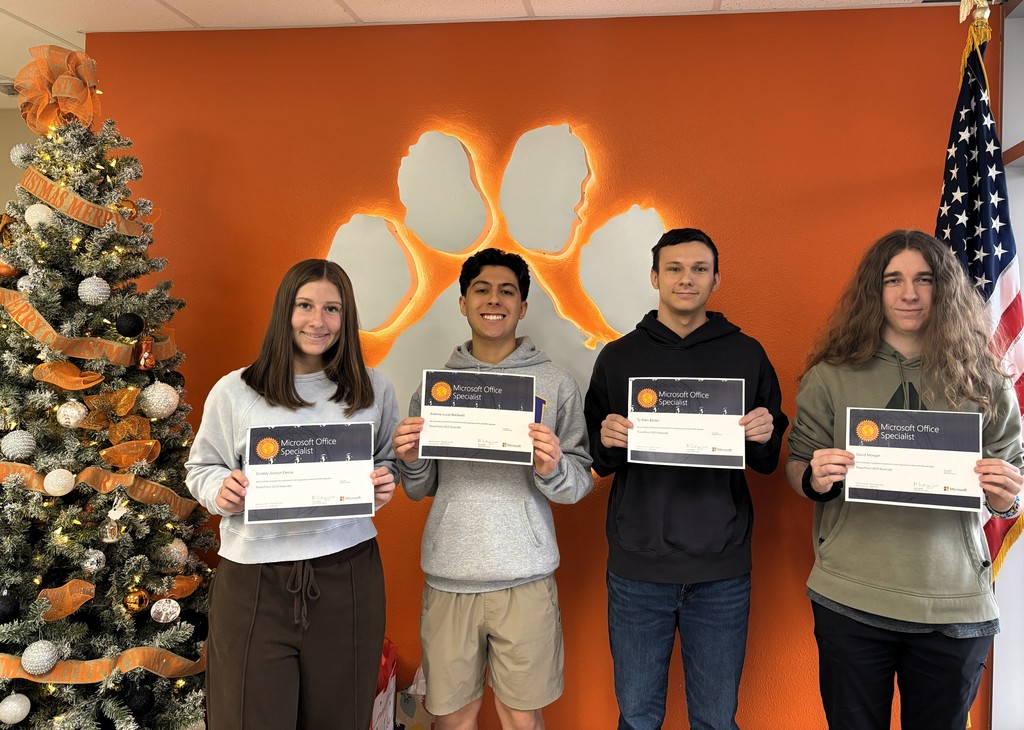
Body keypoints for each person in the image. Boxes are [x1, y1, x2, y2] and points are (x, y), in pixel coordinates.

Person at [786, 230, 1024, 730]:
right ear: (874, 290)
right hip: (851, 597)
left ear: (945, 289)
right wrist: (813, 476)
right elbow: (797, 463)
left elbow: (1013, 477)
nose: (909, 294)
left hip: (954, 603)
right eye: (894, 280)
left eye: (924, 279)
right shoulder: (830, 376)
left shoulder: (985, 380)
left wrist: (1006, 496)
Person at [584, 227, 788, 730]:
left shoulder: (747, 354)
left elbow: (766, 458)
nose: (686, 278)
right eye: (674, 268)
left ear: (716, 279)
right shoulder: (618, 357)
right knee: (636, 717)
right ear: (655, 277)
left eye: (699, 269)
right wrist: (607, 438)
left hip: (720, 571)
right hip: (637, 570)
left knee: (716, 720)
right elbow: (596, 456)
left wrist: (763, 431)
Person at [185, 259, 399, 730]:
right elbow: (201, 468)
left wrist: (384, 480)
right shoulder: (235, 390)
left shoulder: (373, 388)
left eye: (331, 309)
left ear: (347, 319)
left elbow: (387, 462)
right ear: (286, 310)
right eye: (305, 305)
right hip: (253, 581)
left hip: (348, 576)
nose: (317, 321)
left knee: (340, 719)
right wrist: (222, 489)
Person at [392, 248, 593, 730]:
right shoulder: (437, 388)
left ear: (523, 307)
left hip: (524, 575)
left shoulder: (555, 384)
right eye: (481, 289)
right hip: (449, 576)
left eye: (508, 291)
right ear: (463, 302)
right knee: (452, 716)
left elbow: (578, 484)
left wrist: (553, 467)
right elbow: (420, 488)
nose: (494, 300)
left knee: (522, 715)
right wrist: (412, 461)